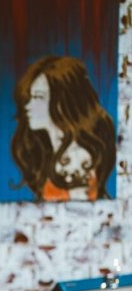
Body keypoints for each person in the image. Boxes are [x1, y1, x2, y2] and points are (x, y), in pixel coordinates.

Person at [11, 55, 116, 201]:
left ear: (62, 102)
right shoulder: (52, 151)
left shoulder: (77, 158)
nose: (28, 106)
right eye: (29, 98)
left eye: (38, 97)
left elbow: (80, 209)